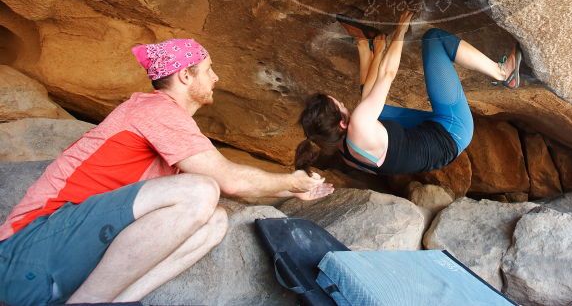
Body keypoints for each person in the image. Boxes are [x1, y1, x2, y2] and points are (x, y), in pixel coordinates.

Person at [0, 38, 333, 305]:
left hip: (62, 266)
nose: (216, 78)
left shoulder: (173, 125)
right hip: (26, 252)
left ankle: (116, 300)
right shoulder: (155, 109)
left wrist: (291, 188)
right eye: (209, 70)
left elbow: (235, 187)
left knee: (215, 220)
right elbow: (230, 180)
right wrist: (290, 181)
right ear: (185, 76)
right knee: (200, 190)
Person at [295, 11, 522, 175]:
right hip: (454, 130)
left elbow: (368, 104)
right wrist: (400, 31)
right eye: (339, 105)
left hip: (429, 139)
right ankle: (503, 73)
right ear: (341, 123)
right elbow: (387, 74)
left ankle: (366, 44)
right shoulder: (359, 124)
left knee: (370, 107)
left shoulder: (344, 150)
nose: (342, 103)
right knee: (434, 38)